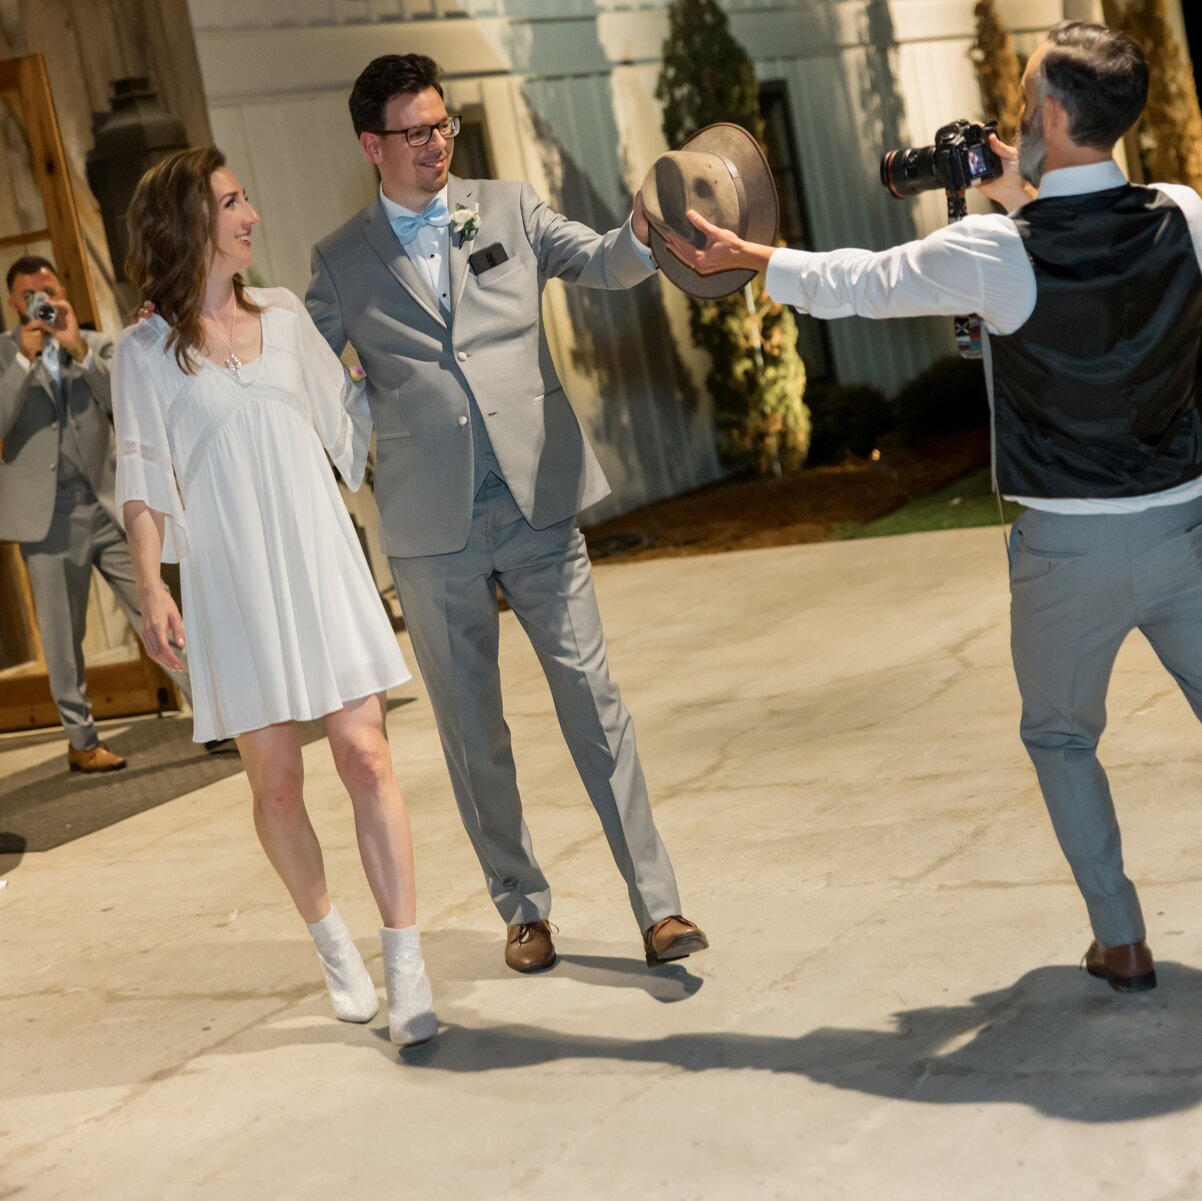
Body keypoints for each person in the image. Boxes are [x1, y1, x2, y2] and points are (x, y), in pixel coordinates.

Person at [665, 20, 1202, 995]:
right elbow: (1105, 251)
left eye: (1023, 93)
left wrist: (750, 254)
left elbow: (861, 284)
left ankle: (1119, 937)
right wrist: (1017, 188)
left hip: (1066, 553)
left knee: (1059, 735)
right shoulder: (1181, 213)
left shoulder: (995, 253)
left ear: (1045, 112)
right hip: (1183, 529)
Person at [306, 53, 707, 973]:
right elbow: (309, 382)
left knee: (595, 704)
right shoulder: (338, 261)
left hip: (536, 502)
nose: (438, 144)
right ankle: (522, 907)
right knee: (473, 730)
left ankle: (660, 906)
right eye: (416, 133)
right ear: (373, 144)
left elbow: (603, 260)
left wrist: (645, 232)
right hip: (427, 526)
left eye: (445, 126)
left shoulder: (512, 206)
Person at [114, 147, 436, 1045]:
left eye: (247, 194)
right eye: (229, 200)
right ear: (188, 224)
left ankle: (406, 963)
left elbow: (348, 425)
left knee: (365, 754)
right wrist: (151, 588)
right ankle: (331, 937)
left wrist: (397, 370)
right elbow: (140, 481)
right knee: (279, 782)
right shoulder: (141, 351)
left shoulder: (288, 317)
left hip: (318, 557)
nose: (250, 212)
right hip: (232, 581)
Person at [0, 256, 192, 773]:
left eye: (48, 290)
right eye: (27, 296)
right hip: (47, 519)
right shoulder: (3, 355)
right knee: (62, 639)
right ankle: (82, 740)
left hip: (110, 508)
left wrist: (78, 348)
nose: (40, 303)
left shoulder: (98, 343)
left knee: (158, 607)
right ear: (13, 304)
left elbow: (125, 401)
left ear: (62, 290)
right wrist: (21, 361)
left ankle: (214, 711)